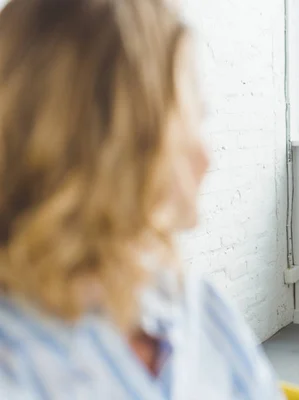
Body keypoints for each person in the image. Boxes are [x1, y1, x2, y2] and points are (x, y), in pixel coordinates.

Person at [0, 0, 283, 399]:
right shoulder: (14, 368)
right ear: (103, 146)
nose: (205, 158)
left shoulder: (197, 305)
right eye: (185, 122)